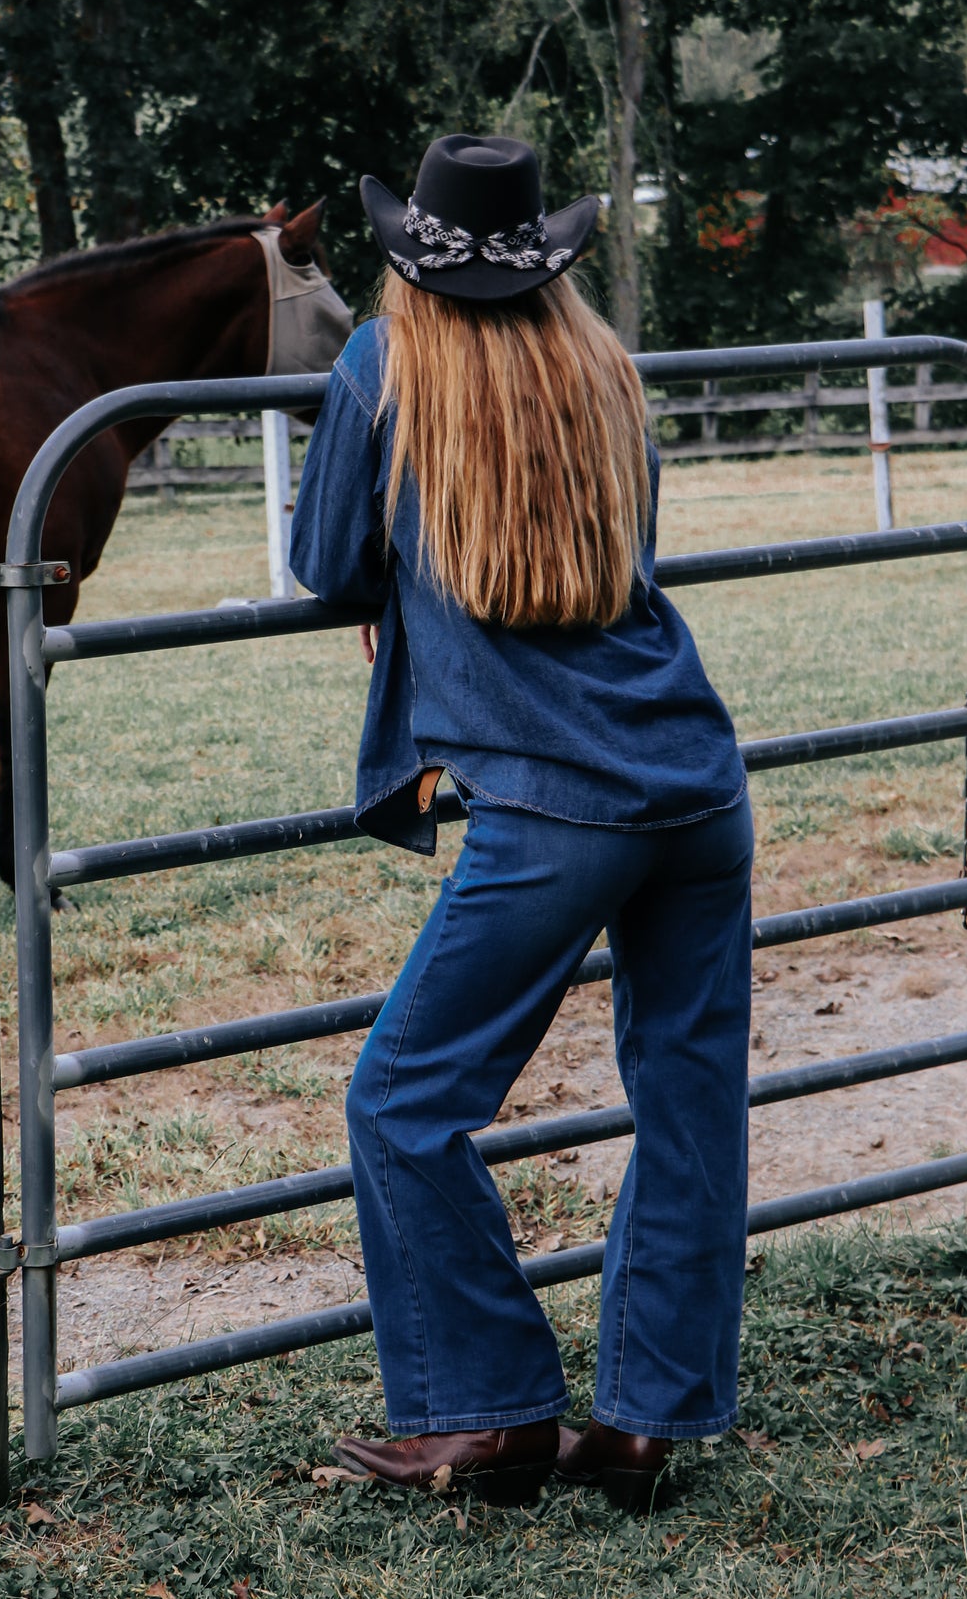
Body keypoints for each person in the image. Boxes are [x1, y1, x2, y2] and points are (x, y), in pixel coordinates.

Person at [288, 134, 753, 1511]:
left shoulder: (385, 368)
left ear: (409, 260)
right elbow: (632, 556)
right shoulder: (604, 368)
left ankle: (486, 1413)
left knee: (401, 1102)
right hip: (696, 779)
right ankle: (643, 1425)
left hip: (554, 805)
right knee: (686, 1102)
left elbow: (325, 570)